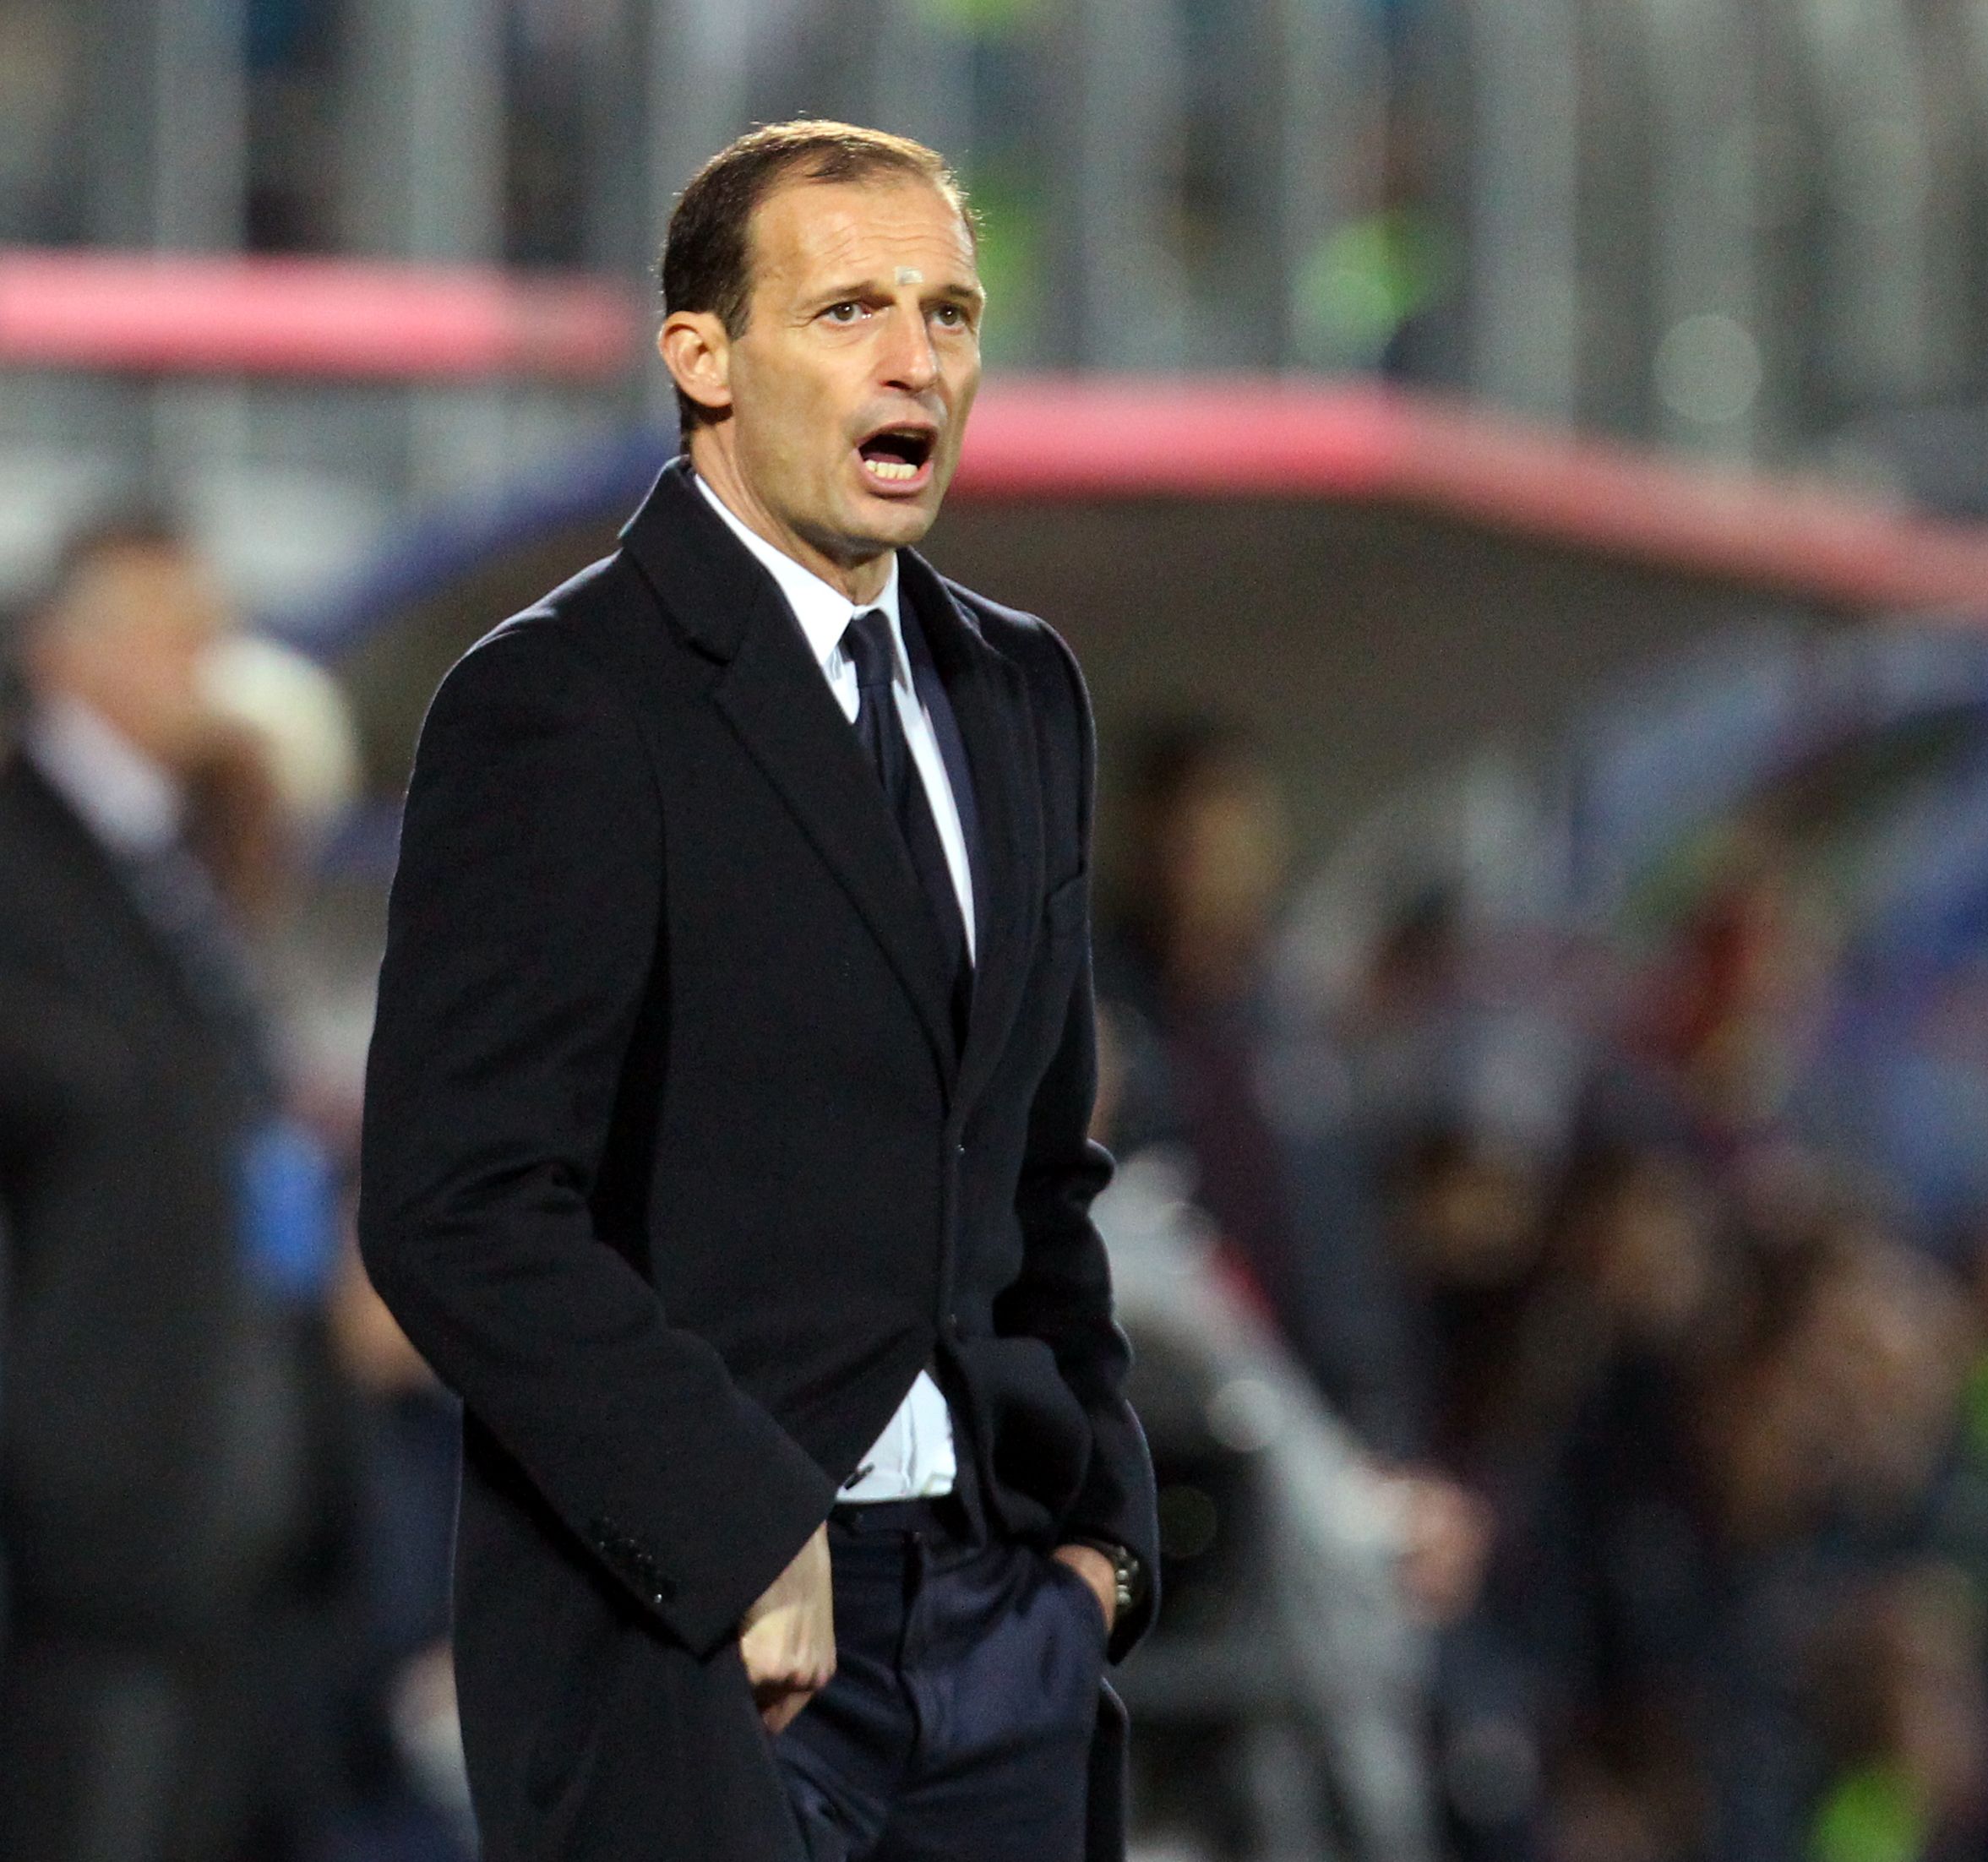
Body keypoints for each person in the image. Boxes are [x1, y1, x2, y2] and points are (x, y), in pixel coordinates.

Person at [357, 120, 1157, 1862]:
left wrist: (1098, 1530)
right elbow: (458, 1208)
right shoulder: (566, 702)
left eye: (950, 313)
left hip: (1002, 1627)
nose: (915, 360)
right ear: (702, 357)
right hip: (712, 1644)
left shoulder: (1021, 695)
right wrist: (734, 1522)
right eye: (850, 310)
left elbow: (1035, 1170)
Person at [0, 515, 327, 1861]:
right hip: (96, 1511)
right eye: (178, 631)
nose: (213, 664)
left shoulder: (179, 860)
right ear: (70, 653)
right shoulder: (27, 856)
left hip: (229, 1489)